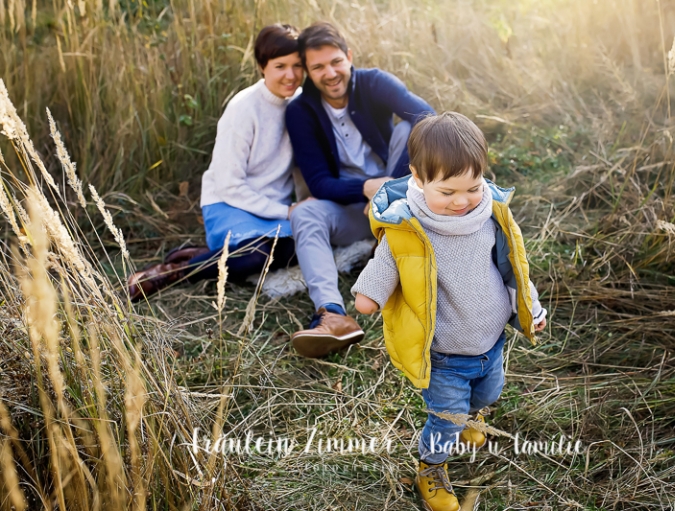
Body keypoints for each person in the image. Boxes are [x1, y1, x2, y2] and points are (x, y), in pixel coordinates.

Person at [351, 113, 548, 511]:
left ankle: (472, 421)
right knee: (446, 418)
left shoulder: (490, 216)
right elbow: (386, 265)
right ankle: (431, 468)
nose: (461, 201)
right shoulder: (406, 229)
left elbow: (513, 265)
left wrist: (530, 306)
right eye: (448, 191)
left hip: (490, 342)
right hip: (443, 353)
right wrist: (368, 296)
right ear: (418, 179)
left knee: (489, 392)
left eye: (472, 187)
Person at [128, 24, 311, 301]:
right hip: (228, 203)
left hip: (272, 208)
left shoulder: (300, 104)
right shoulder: (243, 108)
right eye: (280, 66)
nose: (291, 75)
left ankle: (203, 253)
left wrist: (302, 206)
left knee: (302, 246)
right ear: (262, 66)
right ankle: (177, 270)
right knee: (257, 257)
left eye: (297, 65)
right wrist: (287, 211)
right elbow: (228, 184)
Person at [285, 22, 435, 357]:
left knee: (409, 131)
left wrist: (389, 189)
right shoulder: (300, 111)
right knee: (306, 210)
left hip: (401, 198)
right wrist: (366, 189)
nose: (331, 73)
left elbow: (428, 117)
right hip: (353, 207)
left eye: (336, 61)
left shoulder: (373, 82)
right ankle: (333, 315)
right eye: (318, 67)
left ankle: (398, 253)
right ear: (308, 72)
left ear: (349, 56)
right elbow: (320, 183)